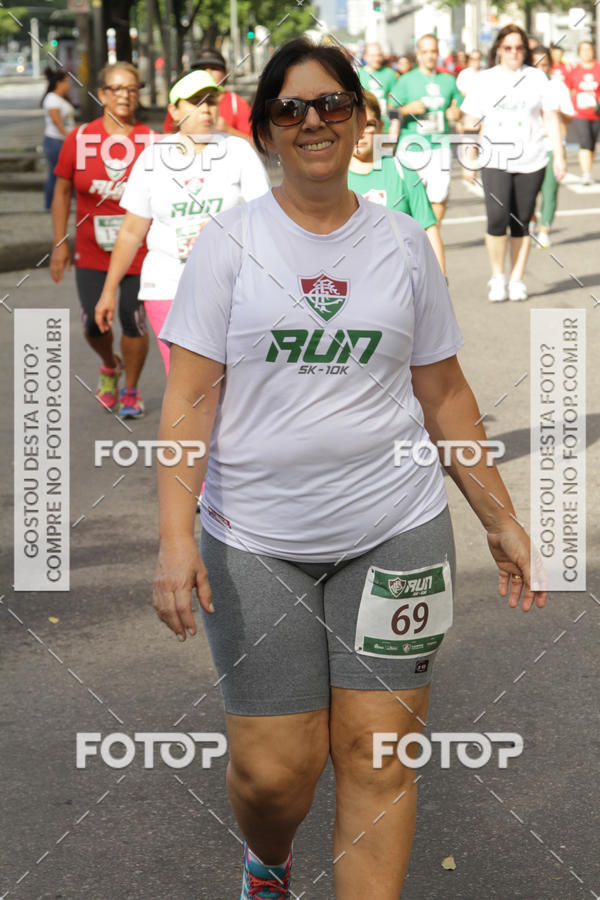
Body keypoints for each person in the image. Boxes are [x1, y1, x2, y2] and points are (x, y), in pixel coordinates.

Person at [153, 37, 546, 899]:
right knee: (275, 775)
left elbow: (443, 391)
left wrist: (500, 516)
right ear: (265, 132)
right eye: (291, 109)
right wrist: (175, 538)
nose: (314, 122)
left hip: (395, 531)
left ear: (363, 115)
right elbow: (188, 399)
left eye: (332, 103)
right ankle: (268, 860)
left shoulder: (402, 245)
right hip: (255, 538)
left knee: (378, 759)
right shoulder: (227, 245)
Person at [94, 70, 269, 373]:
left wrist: (226, 232)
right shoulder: (152, 159)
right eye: (195, 102)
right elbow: (131, 232)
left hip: (229, 287)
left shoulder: (238, 152)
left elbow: (266, 220)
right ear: (174, 111)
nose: (206, 109)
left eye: (211, 101)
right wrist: (108, 292)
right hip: (166, 285)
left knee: (228, 379)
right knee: (184, 380)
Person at [50, 61, 153, 417]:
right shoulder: (79, 139)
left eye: (132, 89)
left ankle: (131, 389)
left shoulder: (150, 142)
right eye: (118, 89)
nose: (125, 96)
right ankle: (110, 364)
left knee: (131, 317)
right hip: (92, 251)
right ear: (103, 94)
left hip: (140, 251)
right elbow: (62, 191)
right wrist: (60, 243)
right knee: (93, 323)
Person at [461, 24, 566, 302]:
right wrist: (468, 158)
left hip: (532, 159)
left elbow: (551, 117)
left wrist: (560, 155)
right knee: (497, 219)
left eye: (519, 47)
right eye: (508, 47)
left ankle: (517, 278)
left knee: (521, 223)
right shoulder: (485, 79)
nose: (514, 52)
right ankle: (497, 276)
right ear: (498, 49)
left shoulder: (537, 78)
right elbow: (471, 120)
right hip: (495, 158)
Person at [348, 90, 446, 275]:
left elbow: (428, 229)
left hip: (406, 286)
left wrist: (441, 282)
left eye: (368, 124)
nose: (360, 133)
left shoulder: (402, 170)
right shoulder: (333, 180)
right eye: (353, 125)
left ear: (380, 127)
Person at [395, 33, 463, 223]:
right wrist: (406, 109)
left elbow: (459, 105)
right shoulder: (406, 80)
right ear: (418, 55)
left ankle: (431, 235)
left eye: (433, 51)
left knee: (439, 197)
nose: (430, 55)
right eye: (425, 52)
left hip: (439, 147)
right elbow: (389, 112)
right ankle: (413, 234)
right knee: (407, 197)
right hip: (411, 147)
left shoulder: (448, 80)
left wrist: (456, 112)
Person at [531, 47, 574, 249]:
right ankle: (530, 220)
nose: (540, 69)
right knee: (527, 193)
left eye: (544, 64)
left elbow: (569, 117)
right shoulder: (522, 86)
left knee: (550, 191)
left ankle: (544, 230)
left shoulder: (557, 86)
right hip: (528, 147)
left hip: (552, 146)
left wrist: (557, 114)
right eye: (536, 64)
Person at [162, 48, 252, 139]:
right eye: (202, 68)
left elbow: (258, 144)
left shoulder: (238, 104)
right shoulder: (181, 102)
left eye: (214, 68)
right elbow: (168, 135)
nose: (208, 72)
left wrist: (228, 130)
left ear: (225, 73)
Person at [566, 41, 600, 185]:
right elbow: (569, 89)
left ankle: (588, 170)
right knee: (584, 141)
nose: (586, 52)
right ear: (579, 53)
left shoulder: (598, 68)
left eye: (589, 49)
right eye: (583, 50)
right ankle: (585, 173)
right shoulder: (575, 71)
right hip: (580, 114)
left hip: (596, 113)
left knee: (592, 144)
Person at [41, 67, 75, 211]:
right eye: (67, 82)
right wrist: (69, 138)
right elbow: (57, 122)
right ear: (59, 83)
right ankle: (50, 205)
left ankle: (60, 202)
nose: (69, 85)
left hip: (60, 140)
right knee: (56, 173)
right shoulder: (52, 99)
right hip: (56, 141)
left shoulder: (60, 98)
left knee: (62, 173)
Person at [358, 42, 401, 135]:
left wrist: (395, 125)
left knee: (385, 149)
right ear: (365, 56)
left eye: (379, 55)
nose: (377, 59)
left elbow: (394, 102)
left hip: (385, 127)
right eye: (373, 56)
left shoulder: (390, 74)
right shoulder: (358, 75)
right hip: (365, 129)